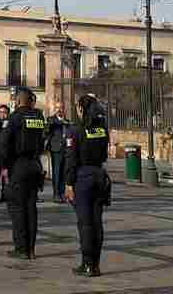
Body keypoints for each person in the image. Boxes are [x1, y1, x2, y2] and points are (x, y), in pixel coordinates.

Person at [64, 93, 110, 278]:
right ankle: (96, 264)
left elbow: (71, 159)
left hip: (83, 177)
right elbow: (105, 154)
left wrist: (68, 183)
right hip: (99, 174)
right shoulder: (102, 129)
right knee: (97, 222)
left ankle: (87, 264)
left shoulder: (76, 130)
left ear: (82, 109)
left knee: (85, 223)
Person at [0, 88, 45, 260]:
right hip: (35, 164)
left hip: (18, 165)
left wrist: (5, 166)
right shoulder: (39, 117)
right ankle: (31, 248)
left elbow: (4, 144)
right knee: (31, 207)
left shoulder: (14, 118)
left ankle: (21, 248)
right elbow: (43, 140)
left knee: (18, 207)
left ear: (18, 101)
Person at [46, 102, 69, 202]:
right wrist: (62, 122)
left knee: (64, 172)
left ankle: (62, 193)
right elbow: (49, 127)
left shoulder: (67, 121)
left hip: (66, 150)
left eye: (61, 108)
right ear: (54, 109)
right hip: (56, 150)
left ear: (64, 109)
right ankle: (56, 194)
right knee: (57, 172)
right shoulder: (51, 120)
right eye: (57, 108)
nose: (59, 110)